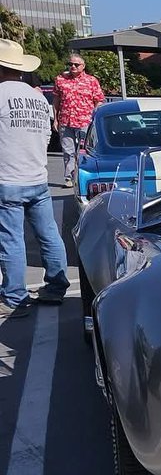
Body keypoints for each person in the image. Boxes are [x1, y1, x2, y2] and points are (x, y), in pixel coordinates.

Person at [0, 39, 70, 318]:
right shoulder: (38, 98)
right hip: (37, 176)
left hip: (8, 177)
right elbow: (46, 136)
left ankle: (15, 297)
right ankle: (56, 286)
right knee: (49, 234)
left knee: (11, 239)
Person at [52, 51, 105, 188]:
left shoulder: (91, 81)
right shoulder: (60, 80)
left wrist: (95, 118)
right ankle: (69, 177)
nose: (73, 67)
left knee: (84, 151)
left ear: (83, 66)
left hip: (84, 122)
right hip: (65, 120)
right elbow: (56, 100)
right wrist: (55, 120)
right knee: (68, 151)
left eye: (76, 64)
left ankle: (84, 176)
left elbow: (99, 101)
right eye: (70, 64)